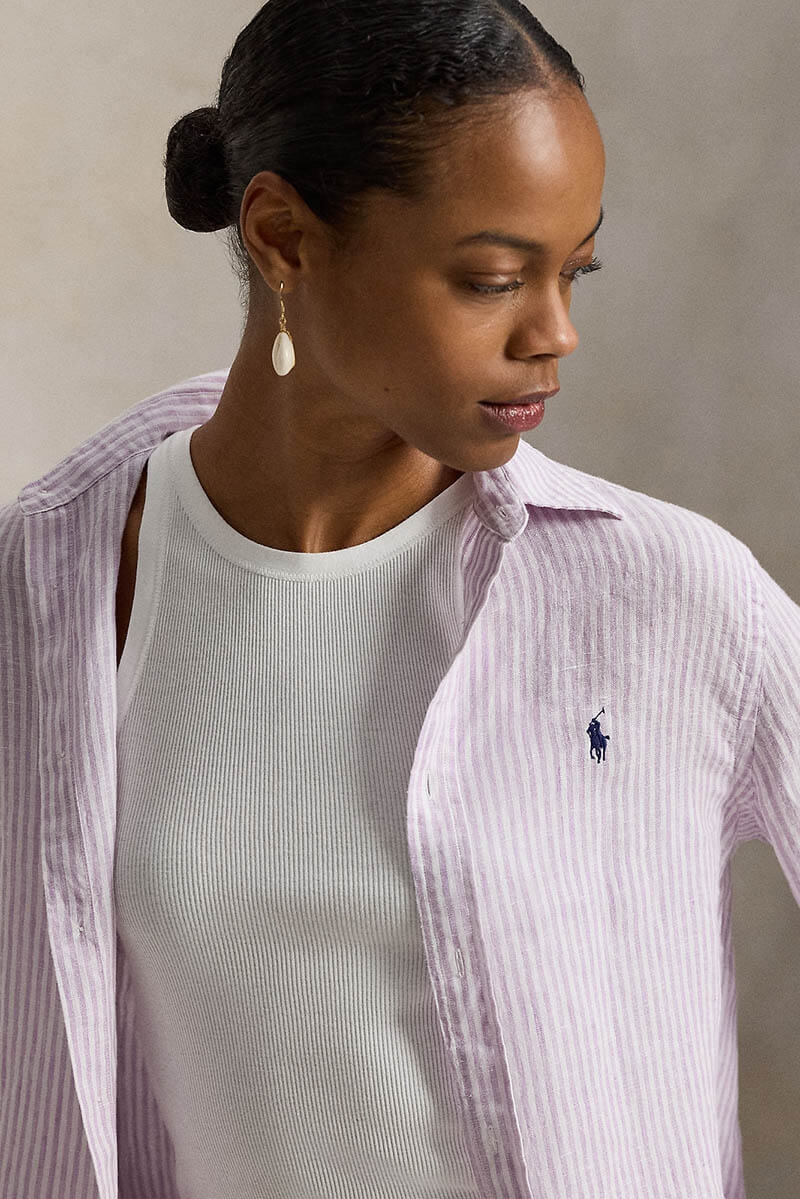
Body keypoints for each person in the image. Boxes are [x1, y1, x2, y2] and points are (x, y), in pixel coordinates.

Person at [2, 1, 798, 1197]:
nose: (555, 333)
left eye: (573, 271)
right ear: (283, 237)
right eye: (491, 278)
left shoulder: (666, 593)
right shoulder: (45, 593)